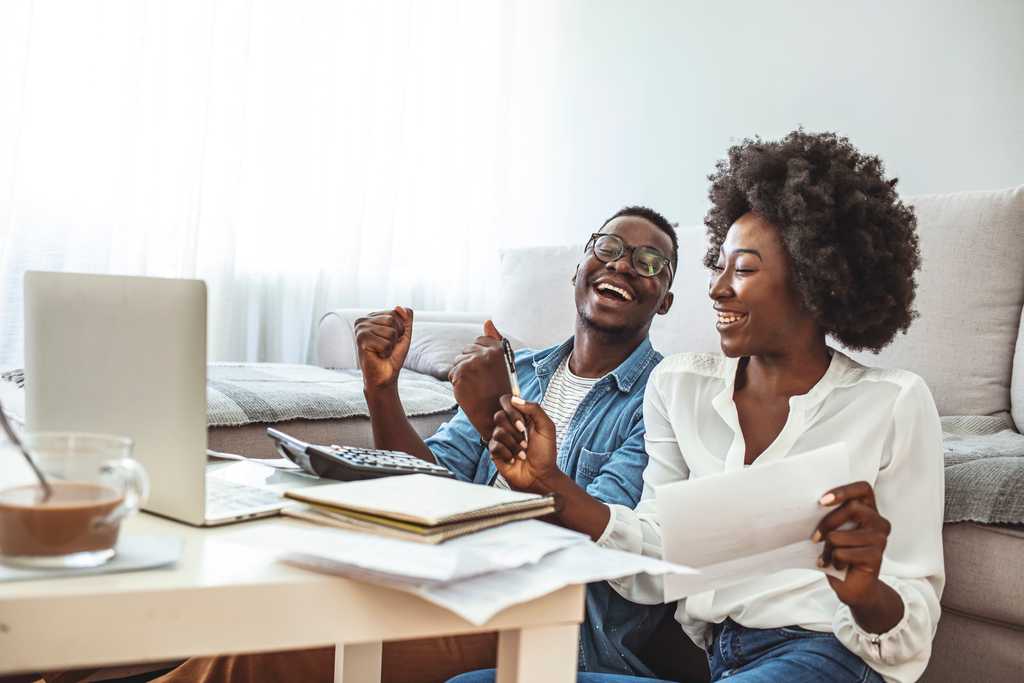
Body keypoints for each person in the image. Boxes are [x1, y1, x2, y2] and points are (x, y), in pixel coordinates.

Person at [453, 130, 944, 683]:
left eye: (744, 269)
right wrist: (549, 485)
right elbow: (656, 563)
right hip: (721, 662)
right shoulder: (679, 386)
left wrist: (864, 592)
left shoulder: (893, 402)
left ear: (813, 281)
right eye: (719, 265)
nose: (717, 289)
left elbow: (911, 626)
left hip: (829, 654)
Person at [151, 205, 682, 683]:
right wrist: (382, 390)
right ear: (578, 269)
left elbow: (593, 545)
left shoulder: (659, 400)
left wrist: (487, 417)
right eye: (608, 249)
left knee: (267, 654)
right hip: (444, 577)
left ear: (666, 302)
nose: (622, 265)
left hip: (539, 619)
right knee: (258, 603)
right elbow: (425, 480)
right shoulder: (523, 369)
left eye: (650, 262)